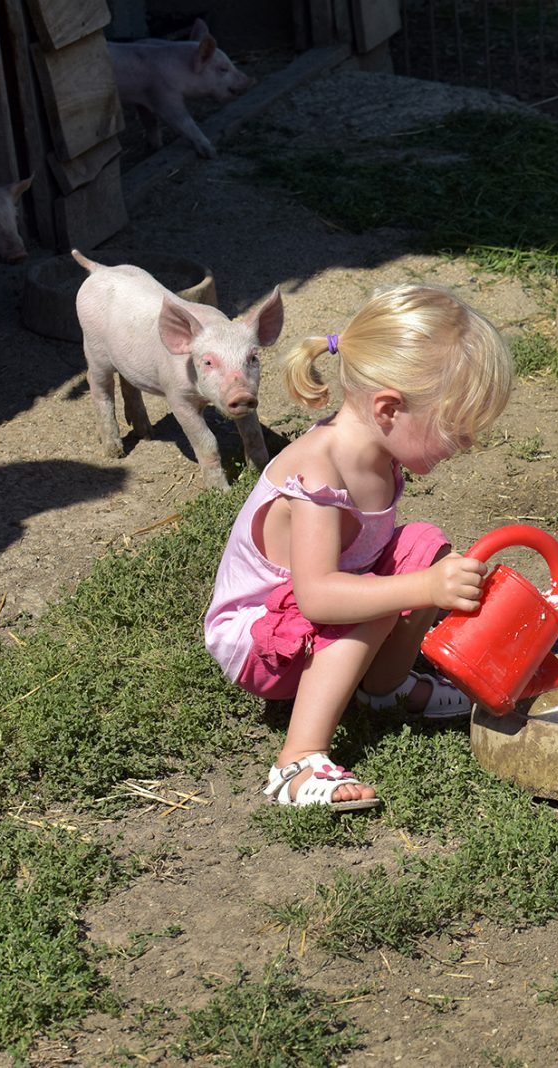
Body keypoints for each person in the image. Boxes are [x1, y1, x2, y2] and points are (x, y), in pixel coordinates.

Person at [205, 284, 513, 808]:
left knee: (425, 548)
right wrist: (420, 589)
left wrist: (426, 578)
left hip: (311, 611)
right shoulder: (319, 470)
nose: (466, 443)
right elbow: (320, 598)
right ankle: (297, 762)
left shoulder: (379, 448)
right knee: (380, 594)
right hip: (258, 640)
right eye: (456, 428)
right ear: (389, 409)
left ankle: (383, 688)